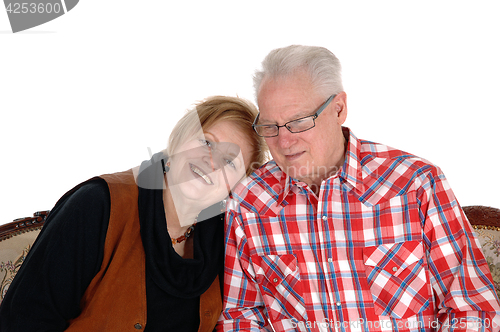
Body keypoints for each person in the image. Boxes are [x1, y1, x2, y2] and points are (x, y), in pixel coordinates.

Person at [217, 45, 500, 332]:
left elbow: (473, 309)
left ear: (339, 109)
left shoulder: (415, 183)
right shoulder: (247, 202)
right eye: (270, 126)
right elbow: (240, 317)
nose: (284, 141)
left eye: (299, 122)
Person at [0, 96, 268, 331]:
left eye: (229, 162)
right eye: (206, 142)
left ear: (238, 186)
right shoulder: (97, 204)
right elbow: (26, 320)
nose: (210, 162)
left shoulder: (226, 238)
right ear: (177, 142)